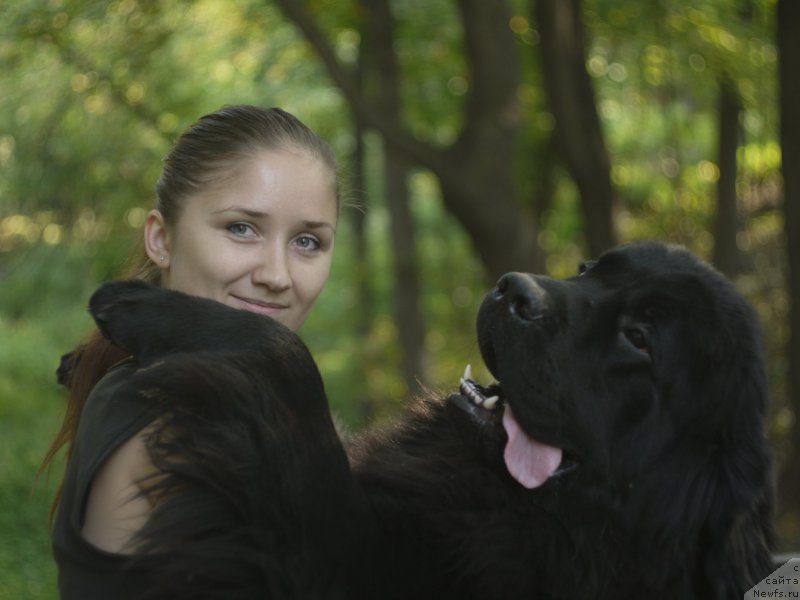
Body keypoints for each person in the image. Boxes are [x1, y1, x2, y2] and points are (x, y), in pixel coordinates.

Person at [43, 105, 341, 599]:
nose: (277, 274)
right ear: (161, 239)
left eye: (307, 241)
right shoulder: (183, 424)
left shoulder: (145, 380)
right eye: (241, 228)